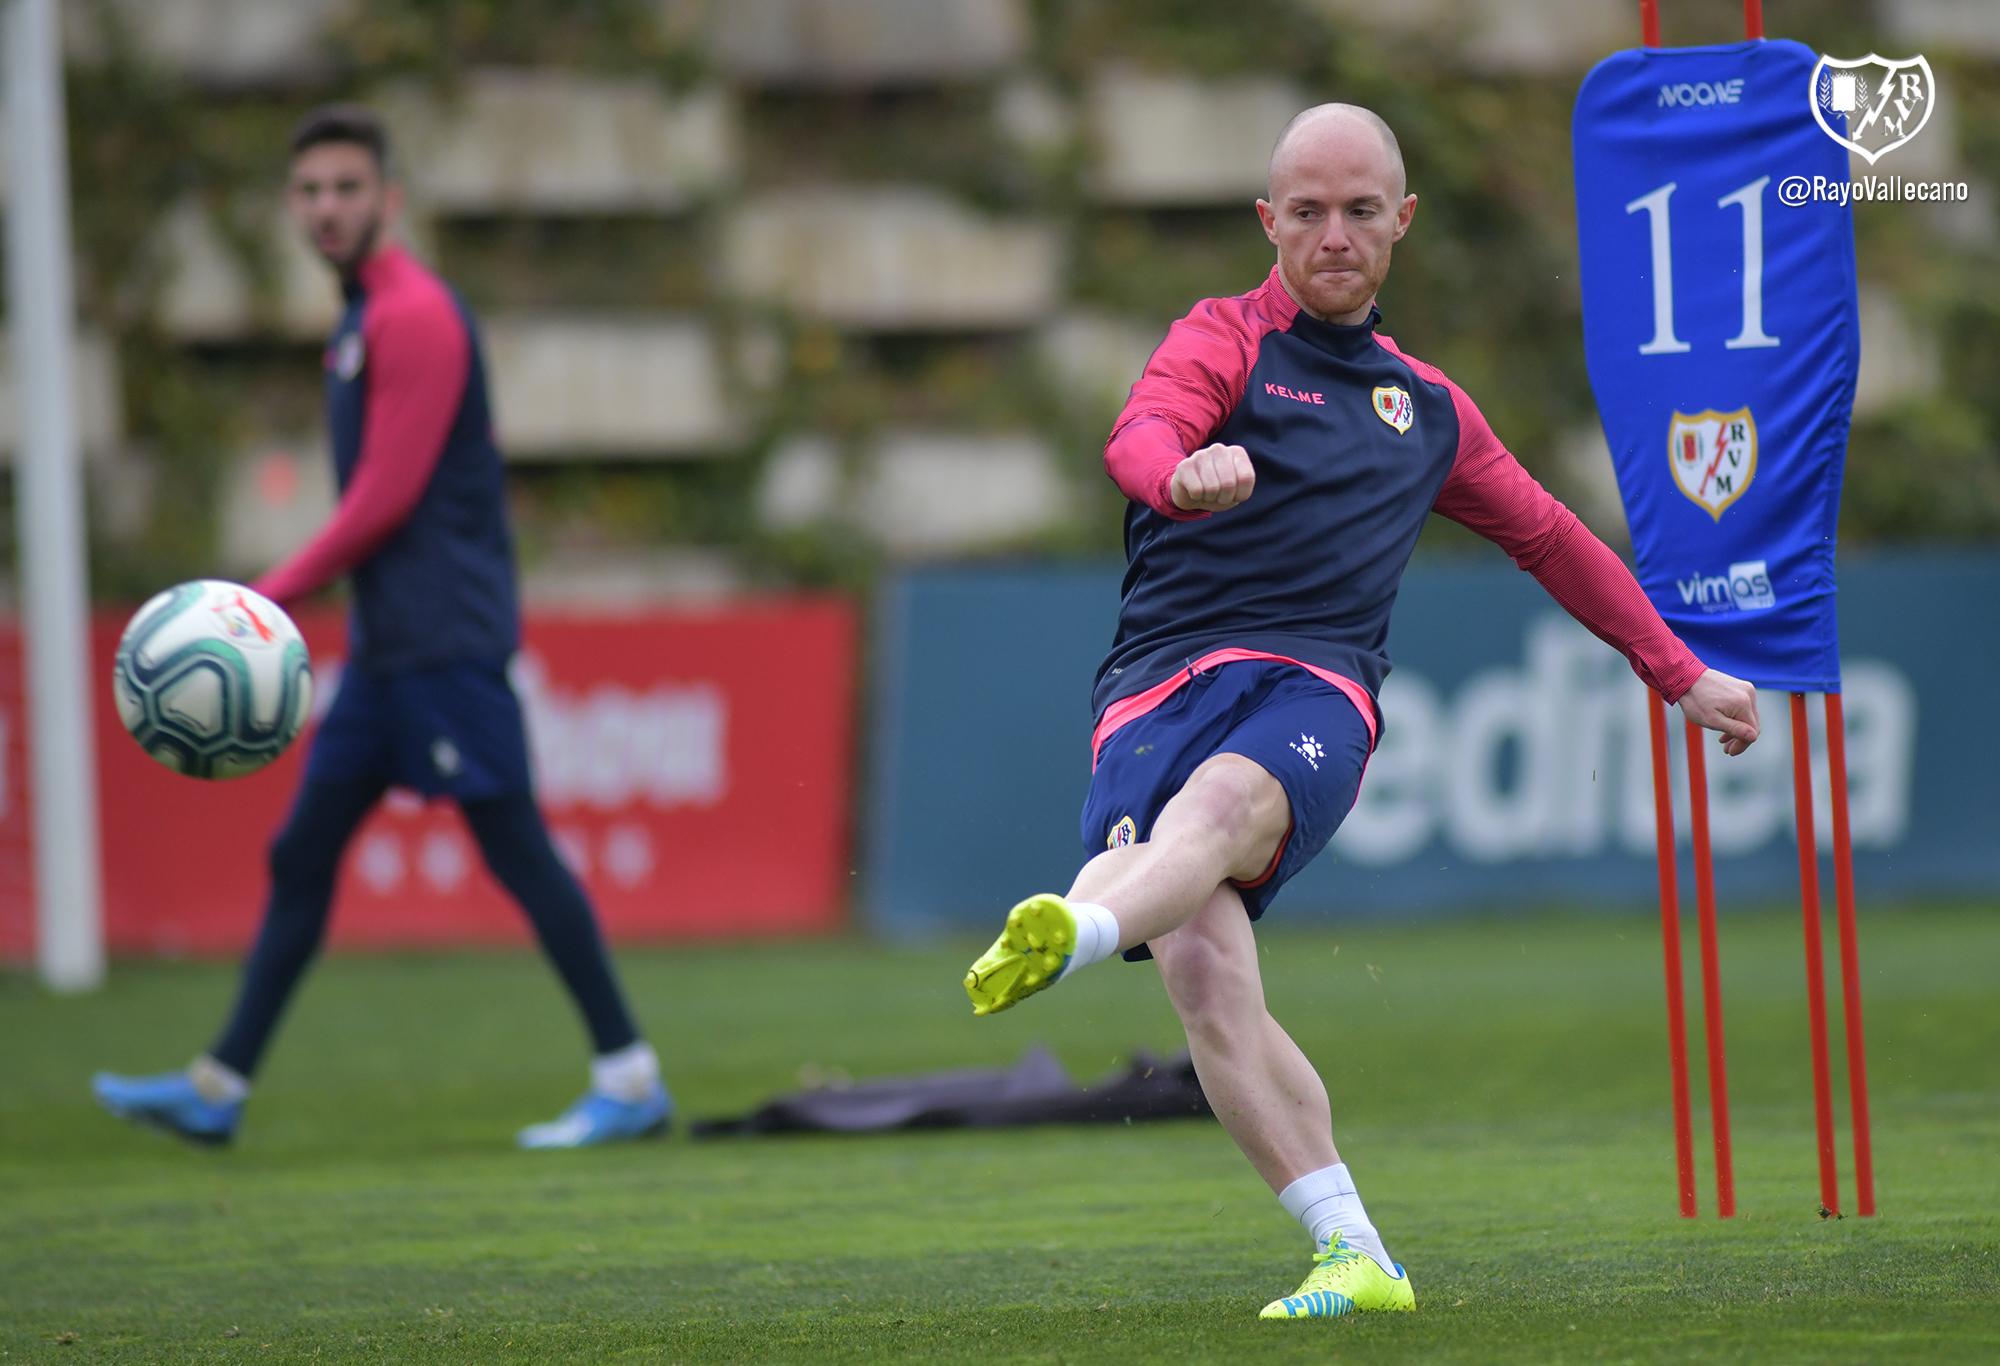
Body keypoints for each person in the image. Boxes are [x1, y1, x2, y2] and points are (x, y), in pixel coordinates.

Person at [962, 104, 1761, 1320]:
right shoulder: (1220, 340)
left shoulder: (1426, 409)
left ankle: (1071, 928)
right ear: (1266, 221)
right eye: (1306, 212)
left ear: (1401, 222)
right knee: (1202, 969)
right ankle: (1354, 1252)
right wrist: (1179, 472)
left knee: (1223, 810)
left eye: (1358, 211)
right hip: (1152, 686)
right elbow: (1140, 433)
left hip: (1311, 685)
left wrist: (1675, 670)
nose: (1333, 235)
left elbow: (1548, 537)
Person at [92, 105, 671, 1151]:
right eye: (309, 191)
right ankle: (217, 1088)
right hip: (384, 653)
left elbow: (385, 498)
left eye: (346, 188)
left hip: (448, 647)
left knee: (518, 854)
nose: (326, 208)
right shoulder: (360, 317)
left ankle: (629, 1079)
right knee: (302, 850)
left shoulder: (415, 316)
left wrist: (261, 603)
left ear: (388, 200)